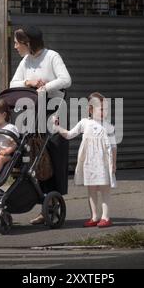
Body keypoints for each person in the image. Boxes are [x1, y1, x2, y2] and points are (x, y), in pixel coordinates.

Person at [10, 25, 72, 225]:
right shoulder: (26, 60)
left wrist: (44, 86)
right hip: (36, 110)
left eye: (17, 43)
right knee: (37, 155)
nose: (14, 46)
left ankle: (53, 200)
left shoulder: (52, 56)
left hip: (54, 109)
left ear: (27, 43)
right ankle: (43, 203)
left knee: (53, 153)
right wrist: (29, 82)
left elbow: (66, 80)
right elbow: (13, 84)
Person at [54, 92, 117, 228]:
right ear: (90, 109)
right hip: (89, 163)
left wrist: (114, 164)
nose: (104, 112)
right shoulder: (84, 123)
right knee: (91, 190)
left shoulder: (108, 126)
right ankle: (94, 217)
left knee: (105, 190)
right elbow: (69, 135)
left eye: (106, 109)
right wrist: (57, 127)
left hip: (104, 163)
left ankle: (105, 217)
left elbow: (113, 147)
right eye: (101, 109)